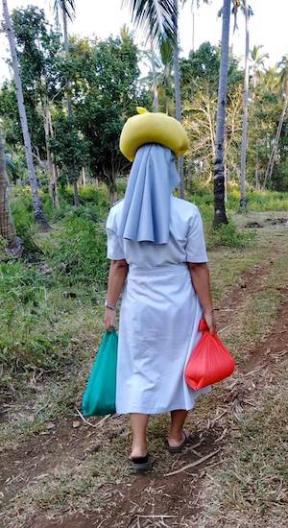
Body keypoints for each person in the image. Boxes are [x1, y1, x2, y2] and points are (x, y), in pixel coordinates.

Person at [103, 143, 215, 473]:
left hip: (139, 303)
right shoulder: (187, 212)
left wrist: (110, 307)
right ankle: (175, 435)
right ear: (168, 170)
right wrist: (209, 309)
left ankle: (138, 446)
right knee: (183, 367)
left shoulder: (119, 213)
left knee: (140, 369)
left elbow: (119, 265)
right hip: (179, 303)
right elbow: (197, 267)